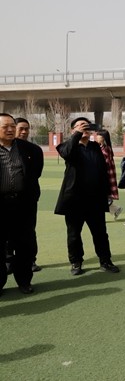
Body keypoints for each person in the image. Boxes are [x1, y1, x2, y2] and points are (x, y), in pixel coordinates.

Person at [55, 117, 120, 276]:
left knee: (100, 233)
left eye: (86, 126)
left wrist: (107, 194)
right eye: (79, 126)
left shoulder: (95, 147)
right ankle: (76, 262)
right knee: (74, 235)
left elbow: (104, 169)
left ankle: (105, 261)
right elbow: (67, 153)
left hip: (95, 200)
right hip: (74, 200)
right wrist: (77, 134)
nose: (83, 128)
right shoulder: (66, 146)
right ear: (72, 130)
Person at [0, 113, 43, 295]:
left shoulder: (30, 150)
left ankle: (24, 281)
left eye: (12, 126)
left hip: (23, 205)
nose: (10, 130)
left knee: (25, 246)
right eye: (5, 127)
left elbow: (35, 174)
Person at [8, 117, 42, 273]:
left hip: (27, 200)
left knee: (28, 232)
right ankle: (8, 260)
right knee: (6, 232)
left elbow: (36, 173)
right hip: (5, 200)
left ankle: (30, 261)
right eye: (20, 128)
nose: (24, 132)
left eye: (26, 129)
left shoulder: (34, 150)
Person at [95, 129, 122, 220]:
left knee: (99, 198)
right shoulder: (102, 147)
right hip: (101, 176)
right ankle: (115, 209)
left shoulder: (105, 149)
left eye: (99, 135)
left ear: (103, 137)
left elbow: (104, 164)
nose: (97, 137)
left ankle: (103, 215)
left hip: (103, 177)